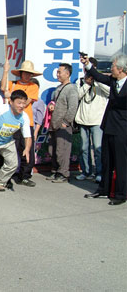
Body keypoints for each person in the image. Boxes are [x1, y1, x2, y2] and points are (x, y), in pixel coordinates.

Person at [82, 53, 127, 205]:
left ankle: (121, 194)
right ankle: (103, 190)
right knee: (106, 161)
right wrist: (88, 64)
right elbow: (99, 77)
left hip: (122, 129)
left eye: (113, 66)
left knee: (121, 163)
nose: (111, 69)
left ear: (121, 69)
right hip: (108, 126)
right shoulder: (113, 80)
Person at [0, 60, 41, 187]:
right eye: (25, 73)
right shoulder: (12, 84)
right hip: (11, 122)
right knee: (9, 149)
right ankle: (6, 176)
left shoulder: (33, 87)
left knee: (26, 148)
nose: (27, 75)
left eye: (30, 74)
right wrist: (6, 70)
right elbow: (3, 88)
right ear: (21, 73)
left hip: (26, 121)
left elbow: (25, 102)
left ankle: (25, 176)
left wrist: (11, 96)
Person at [74, 59, 109, 183]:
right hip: (83, 119)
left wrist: (97, 81)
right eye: (86, 68)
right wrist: (87, 84)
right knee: (84, 148)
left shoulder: (102, 81)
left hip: (97, 120)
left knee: (98, 149)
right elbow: (77, 96)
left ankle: (99, 173)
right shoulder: (80, 81)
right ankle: (86, 171)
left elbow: (110, 92)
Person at [47, 63, 79, 183]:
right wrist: (51, 105)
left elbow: (73, 107)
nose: (57, 74)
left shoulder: (71, 88)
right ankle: (55, 170)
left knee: (63, 150)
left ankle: (63, 173)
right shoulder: (58, 88)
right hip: (54, 123)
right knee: (52, 149)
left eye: (60, 72)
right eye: (57, 72)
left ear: (67, 73)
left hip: (63, 125)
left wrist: (66, 121)